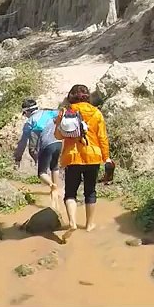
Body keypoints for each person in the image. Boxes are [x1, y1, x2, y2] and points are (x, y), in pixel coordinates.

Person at [53, 83, 109, 232]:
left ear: (71, 96)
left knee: (70, 192)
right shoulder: (96, 113)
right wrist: (106, 157)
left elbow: (58, 135)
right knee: (90, 191)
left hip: (73, 157)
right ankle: (89, 225)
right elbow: (102, 137)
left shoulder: (65, 112)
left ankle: (72, 222)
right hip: (93, 156)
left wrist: (59, 123)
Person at [13, 98, 65, 199]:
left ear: (27, 111)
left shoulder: (30, 122)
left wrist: (18, 158)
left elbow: (23, 143)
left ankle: (52, 186)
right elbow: (64, 112)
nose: (25, 116)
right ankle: (57, 191)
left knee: (42, 173)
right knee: (54, 166)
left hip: (46, 145)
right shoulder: (50, 113)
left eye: (24, 113)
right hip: (59, 143)